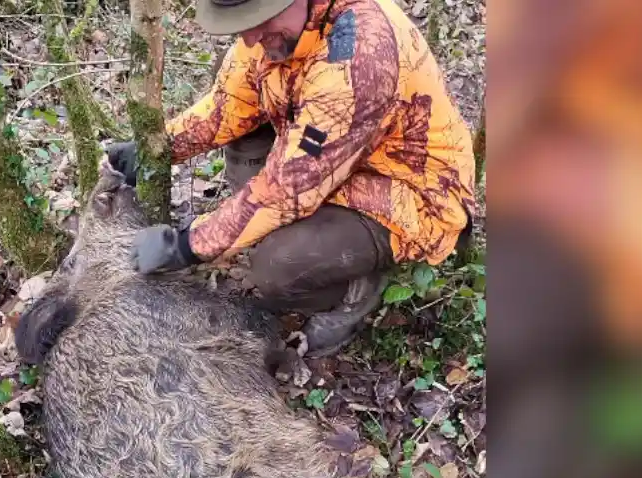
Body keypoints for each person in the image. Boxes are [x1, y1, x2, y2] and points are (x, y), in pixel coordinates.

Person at [107, 0, 477, 357]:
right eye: (244, 24)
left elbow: (287, 189)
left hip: (405, 191)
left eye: (263, 19)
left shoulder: (360, 55)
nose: (252, 38)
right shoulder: (277, 33)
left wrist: (186, 245)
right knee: (249, 124)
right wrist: (156, 149)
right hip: (322, 157)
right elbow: (228, 107)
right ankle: (277, 230)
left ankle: (355, 289)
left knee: (276, 269)